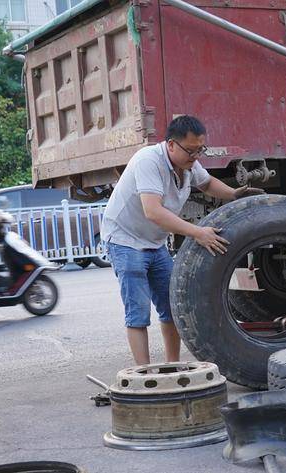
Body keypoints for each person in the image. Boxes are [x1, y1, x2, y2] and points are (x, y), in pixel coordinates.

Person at [101, 115, 264, 365]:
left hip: (154, 243)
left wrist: (233, 194)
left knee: (171, 307)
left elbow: (207, 183)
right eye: (191, 150)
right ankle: (144, 376)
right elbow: (153, 212)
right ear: (171, 145)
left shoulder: (187, 163)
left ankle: (172, 367)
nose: (196, 156)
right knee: (138, 312)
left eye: (201, 149)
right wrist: (198, 232)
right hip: (126, 240)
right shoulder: (148, 161)